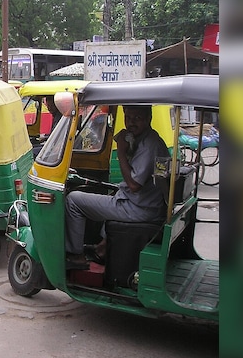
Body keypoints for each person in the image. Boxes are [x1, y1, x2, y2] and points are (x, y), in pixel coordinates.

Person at [64, 105, 169, 270]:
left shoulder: (149, 145)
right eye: (128, 118)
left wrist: (120, 151)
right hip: (145, 204)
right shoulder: (145, 138)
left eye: (137, 118)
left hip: (140, 208)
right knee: (110, 193)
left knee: (73, 200)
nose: (131, 123)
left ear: (149, 119)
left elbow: (134, 185)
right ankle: (102, 249)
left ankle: (75, 256)